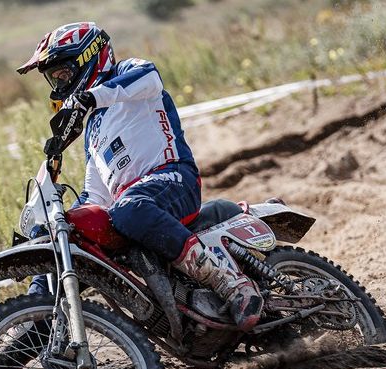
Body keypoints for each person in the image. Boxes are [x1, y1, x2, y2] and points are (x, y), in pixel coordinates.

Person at [18, 22, 263, 331]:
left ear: (88, 57)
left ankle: (231, 282)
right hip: (131, 206)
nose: (60, 83)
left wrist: (90, 97)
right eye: (54, 78)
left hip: (173, 178)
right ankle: (19, 341)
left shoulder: (129, 72)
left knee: (127, 208)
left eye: (63, 73)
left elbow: (151, 78)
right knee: (65, 248)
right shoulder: (92, 128)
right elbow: (96, 195)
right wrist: (60, 223)